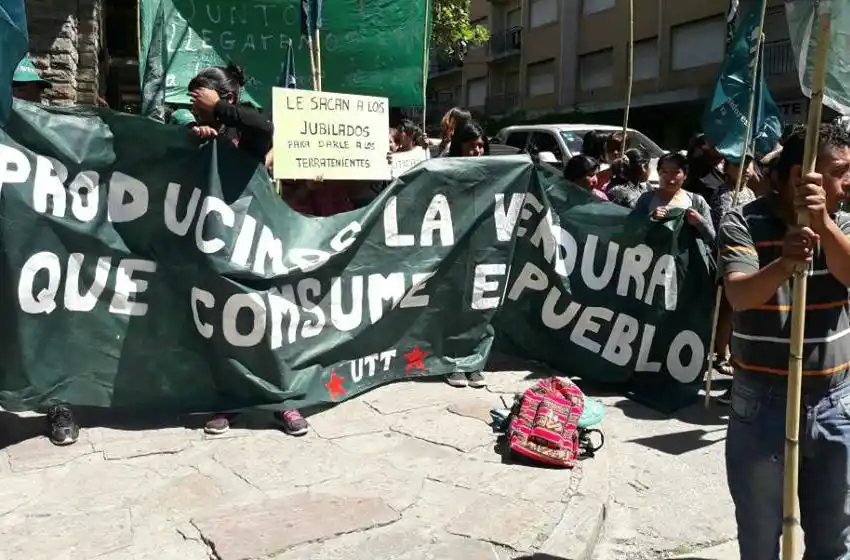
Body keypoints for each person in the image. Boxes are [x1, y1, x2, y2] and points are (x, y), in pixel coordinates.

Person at [719, 123, 850, 559]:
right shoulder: (744, 220)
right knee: (759, 539)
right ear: (801, 177)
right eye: (840, 171)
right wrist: (784, 263)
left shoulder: (845, 218)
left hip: (835, 403)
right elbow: (739, 295)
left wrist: (824, 225)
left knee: (833, 541)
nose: (848, 181)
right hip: (760, 404)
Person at [189, 64, 308, 438]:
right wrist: (194, 136)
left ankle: (283, 402)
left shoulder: (248, 130)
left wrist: (220, 114)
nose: (195, 108)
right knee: (224, 327)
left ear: (225, 100)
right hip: (213, 249)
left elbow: (265, 128)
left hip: (257, 244)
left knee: (268, 320)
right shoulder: (195, 133)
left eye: (200, 101)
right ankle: (231, 402)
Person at [10, 57, 80, 446]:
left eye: (34, 91)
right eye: (22, 90)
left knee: (48, 326)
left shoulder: (55, 134)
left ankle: (58, 406)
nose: (31, 98)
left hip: (43, 250)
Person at [709, 156, 759, 403]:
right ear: (727, 168)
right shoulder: (722, 194)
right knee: (728, 306)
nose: (747, 171)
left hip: (750, 255)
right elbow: (722, 226)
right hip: (728, 255)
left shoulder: (750, 192)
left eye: (749, 165)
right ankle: (721, 352)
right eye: (740, 165)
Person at [186, 63, 273, 162]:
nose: (196, 106)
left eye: (203, 99)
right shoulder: (198, 129)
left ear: (229, 98)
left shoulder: (244, 127)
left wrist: (217, 105)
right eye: (194, 100)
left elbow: (264, 126)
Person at [634, 152, 715, 244]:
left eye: (676, 172)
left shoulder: (697, 202)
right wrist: (651, 218)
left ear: (685, 175)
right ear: (658, 172)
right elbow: (630, 232)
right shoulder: (646, 199)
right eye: (665, 172)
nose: (670, 178)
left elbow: (712, 238)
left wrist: (699, 222)